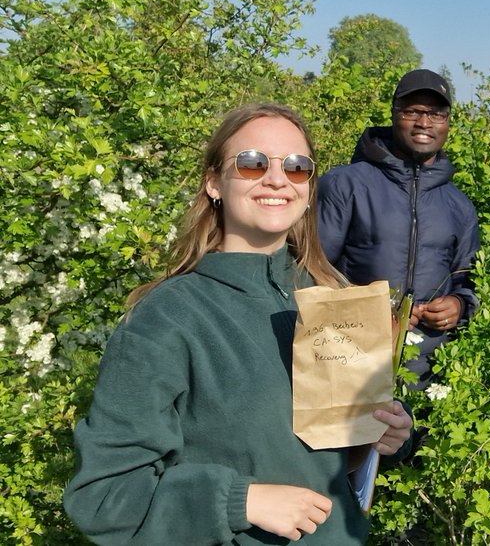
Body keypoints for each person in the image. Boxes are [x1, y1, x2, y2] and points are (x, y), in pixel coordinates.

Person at [65, 103, 414, 545]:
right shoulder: (166, 317)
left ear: (309, 187)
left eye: (296, 167)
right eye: (252, 163)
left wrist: (385, 436)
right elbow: (104, 497)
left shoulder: (333, 300)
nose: (277, 179)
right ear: (214, 182)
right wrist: (238, 501)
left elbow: (332, 458)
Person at [318, 69, 479, 391]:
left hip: (428, 373)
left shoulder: (459, 205)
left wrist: (459, 305)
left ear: (447, 122)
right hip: (348, 362)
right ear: (394, 114)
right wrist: (370, 310)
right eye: (412, 112)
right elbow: (310, 271)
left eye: (436, 114)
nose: (424, 122)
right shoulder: (345, 184)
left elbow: (469, 280)